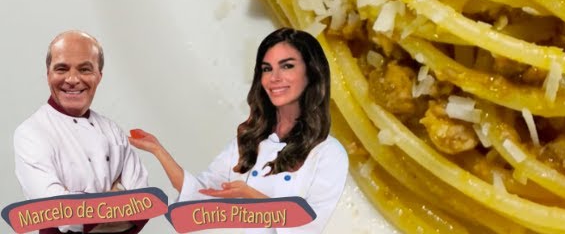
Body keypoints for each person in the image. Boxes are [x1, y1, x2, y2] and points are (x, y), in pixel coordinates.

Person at [129, 28, 348, 234]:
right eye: (267, 69)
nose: (274, 77)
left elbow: (308, 227)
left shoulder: (329, 154)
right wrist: (158, 151)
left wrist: (251, 196)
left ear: (312, 73)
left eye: (287, 66)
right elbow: (199, 194)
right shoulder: (249, 140)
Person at [12, 31, 150, 234]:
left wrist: (83, 207)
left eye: (85, 69)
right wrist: (117, 203)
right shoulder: (31, 133)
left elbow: (145, 205)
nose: (72, 79)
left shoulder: (113, 131)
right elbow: (57, 212)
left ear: (99, 76)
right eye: (62, 69)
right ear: (48, 74)